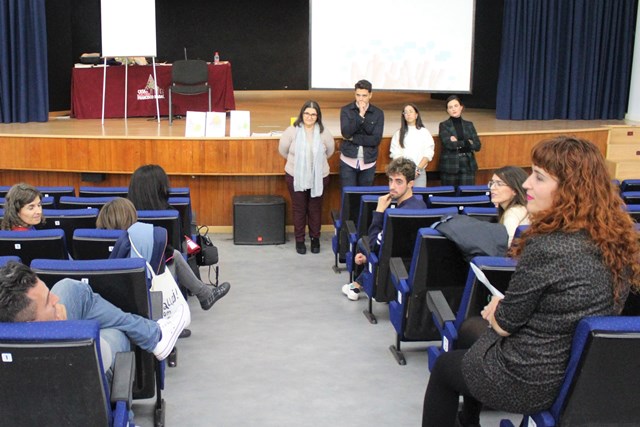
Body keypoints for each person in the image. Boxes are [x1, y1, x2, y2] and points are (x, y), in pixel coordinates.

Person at [421, 136, 640, 427]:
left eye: (539, 177)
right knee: (469, 329)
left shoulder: (547, 246)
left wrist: (499, 306)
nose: (526, 185)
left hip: (534, 378)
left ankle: (468, 416)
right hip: (583, 375)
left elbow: (505, 324)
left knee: (445, 369)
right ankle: (468, 418)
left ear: (570, 189)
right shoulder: (617, 240)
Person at [0, 261, 187, 375]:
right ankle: (154, 335)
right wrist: (65, 330)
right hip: (75, 371)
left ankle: (153, 334)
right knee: (116, 333)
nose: (56, 301)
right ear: (29, 326)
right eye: (49, 302)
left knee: (70, 288)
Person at [97, 197, 230, 313]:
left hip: (104, 298)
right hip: (140, 293)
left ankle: (203, 296)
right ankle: (186, 308)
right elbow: (167, 254)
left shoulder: (91, 238)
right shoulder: (139, 235)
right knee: (174, 257)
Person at [341, 157, 426, 301]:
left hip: (394, 267)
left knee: (365, 243)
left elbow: (375, 246)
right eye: (391, 180)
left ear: (410, 184)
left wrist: (379, 212)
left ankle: (357, 283)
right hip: (412, 266)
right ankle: (357, 283)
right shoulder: (421, 205)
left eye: (399, 182)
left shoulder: (397, 215)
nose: (392, 186)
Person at [278, 100, 335, 255]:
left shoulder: (324, 132)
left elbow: (330, 151)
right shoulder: (292, 131)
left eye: (313, 114)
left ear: (318, 116)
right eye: (307, 113)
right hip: (295, 176)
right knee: (299, 209)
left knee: (315, 209)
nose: (309, 117)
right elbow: (283, 150)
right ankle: (300, 241)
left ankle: (315, 240)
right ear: (302, 114)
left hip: (319, 177)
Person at [339, 79, 384, 187]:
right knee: (348, 198)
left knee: (365, 198)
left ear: (370, 95)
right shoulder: (346, 110)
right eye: (358, 95)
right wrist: (360, 116)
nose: (361, 99)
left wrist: (353, 139)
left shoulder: (378, 113)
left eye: (364, 96)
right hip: (348, 161)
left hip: (368, 163)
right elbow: (346, 133)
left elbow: (375, 140)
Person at [438, 95, 481, 186]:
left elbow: (477, 145)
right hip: (450, 165)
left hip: (468, 164)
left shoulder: (469, 125)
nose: (453, 109)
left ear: (461, 107)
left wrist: (458, 143)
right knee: (450, 196)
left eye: (456, 106)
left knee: (467, 195)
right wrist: (467, 142)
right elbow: (449, 145)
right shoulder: (444, 125)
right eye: (450, 107)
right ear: (447, 110)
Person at [389, 103, 435, 187]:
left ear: (416, 115)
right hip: (402, 172)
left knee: (419, 197)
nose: (408, 114)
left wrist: (418, 169)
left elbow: (428, 153)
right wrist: (406, 169)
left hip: (419, 172)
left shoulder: (424, 132)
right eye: (405, 112)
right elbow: (395, 153)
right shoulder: (398, 133)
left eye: (411, 111)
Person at [488, 166, 530, 246]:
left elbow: (507, 246)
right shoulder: (522, 209)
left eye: (499, 184)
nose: (492, 188)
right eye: (492, 183)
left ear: (514, 190)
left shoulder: (512, 213)